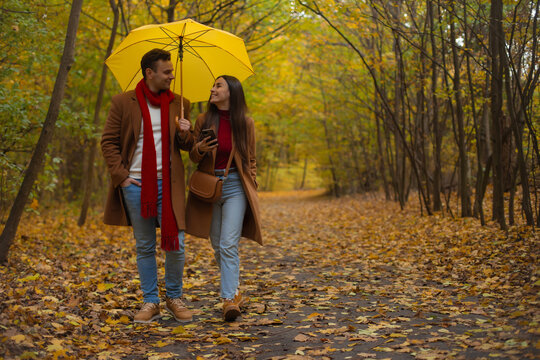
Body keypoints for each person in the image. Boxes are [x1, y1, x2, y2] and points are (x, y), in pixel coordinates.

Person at [101, 48, 194, 323]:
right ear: (150, 73)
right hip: (136, 185)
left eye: (172, 72)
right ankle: (150, 301)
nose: (171, 76)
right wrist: (122, 177)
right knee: (144, 246)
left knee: (176, 244)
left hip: (170, 184)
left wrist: (186, 133)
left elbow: (188, 148)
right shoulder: (122, 102)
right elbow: (108, 142)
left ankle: (174, 297)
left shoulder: (181, 102)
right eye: (167, 72)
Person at [186, 75, 263, 321]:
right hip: (209, 186)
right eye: (213, 85)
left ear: (232, 92)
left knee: (229, 244)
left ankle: (228, 299)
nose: (212, 89)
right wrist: (200, 148)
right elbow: (193, 157)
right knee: (218, 244)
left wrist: (252, 182)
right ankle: (235, 290)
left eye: (218, 85)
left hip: (235, 187)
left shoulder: (245, 123)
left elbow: (250, 158)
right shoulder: (203, 119)